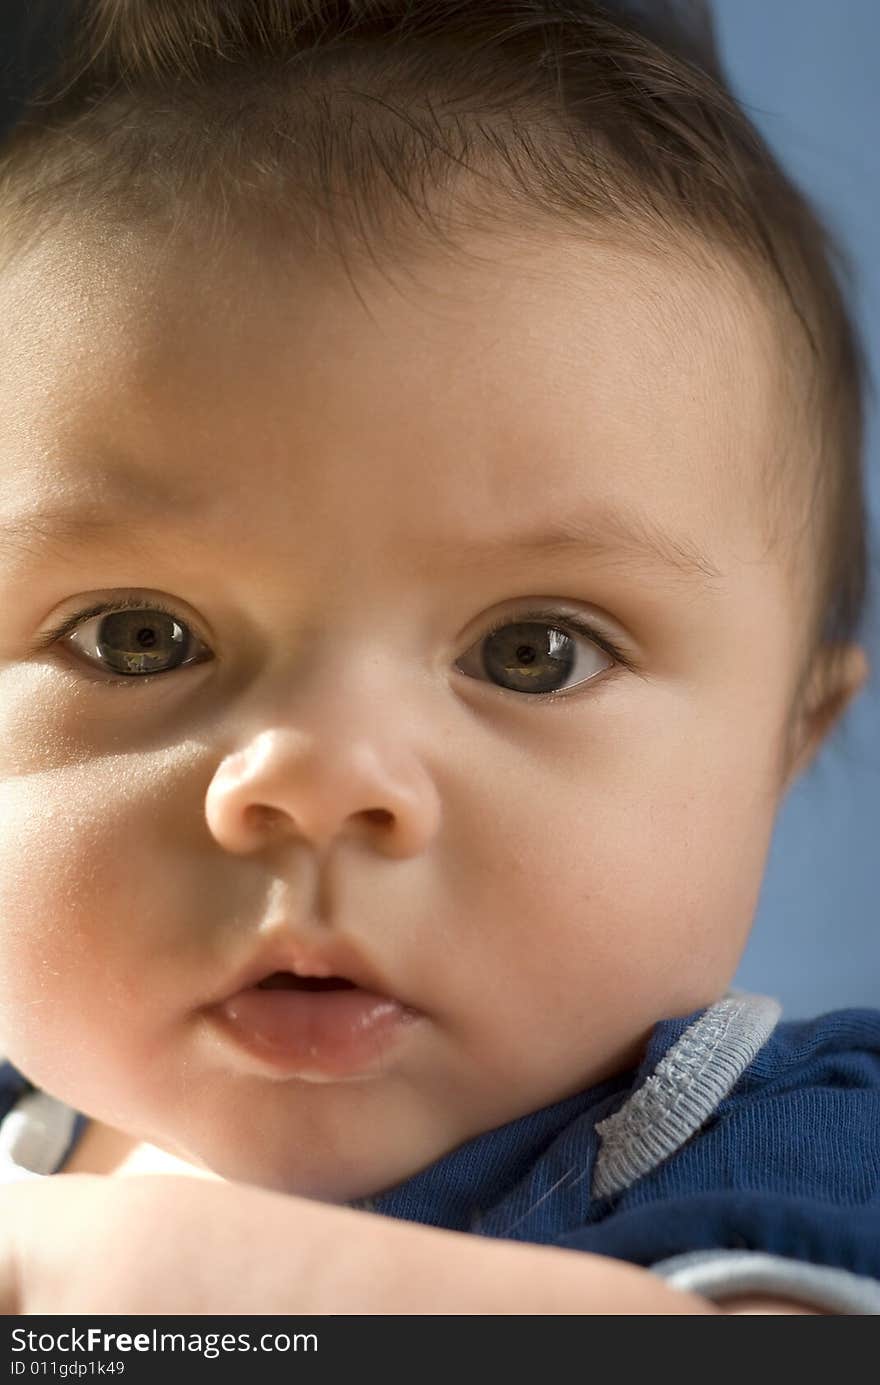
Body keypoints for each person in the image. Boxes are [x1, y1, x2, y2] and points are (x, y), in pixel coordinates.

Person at [0, 0, 877, 1316]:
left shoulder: (802, 1147)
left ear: (782, 743)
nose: (317, 782)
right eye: (141, 636)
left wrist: (114, 1279)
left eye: (533, 651)